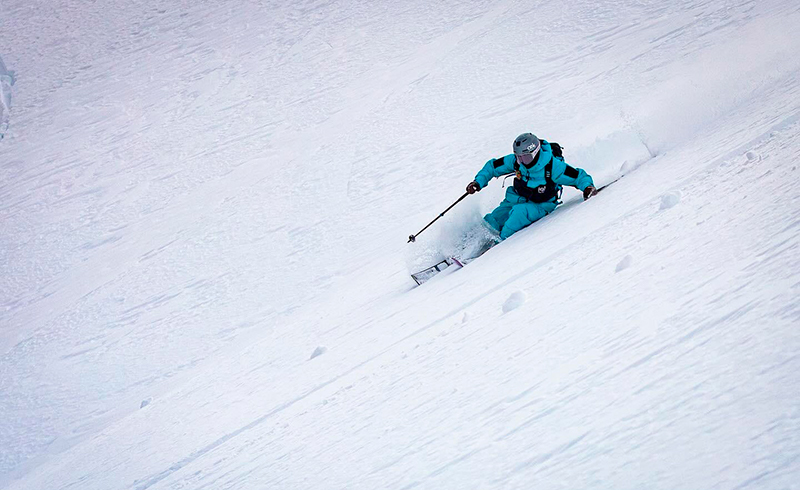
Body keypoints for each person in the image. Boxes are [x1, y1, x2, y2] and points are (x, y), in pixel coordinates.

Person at [466, 133, 596, 240]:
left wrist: (587, 187)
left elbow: (577, 176)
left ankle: (496, 247)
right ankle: (468, 246)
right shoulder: (516, 162)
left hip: (540, 205)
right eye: (519, 158)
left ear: (535, 152)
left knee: (517, 216)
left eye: (526, 158)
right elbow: (493, 167)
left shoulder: (552, 167)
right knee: (491, 221)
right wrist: (477, 182)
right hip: (515, 198)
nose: (522, 162)